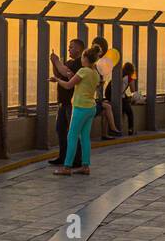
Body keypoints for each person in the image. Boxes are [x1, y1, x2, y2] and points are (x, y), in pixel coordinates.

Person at [53, 46, 102, 177]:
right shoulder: (95, 73)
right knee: (85, 137)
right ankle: (85, 166)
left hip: (81, 107)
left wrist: (57, 80)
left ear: (85, 58)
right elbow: (83, 83)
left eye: (82, 57)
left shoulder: (83, 70)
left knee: (72, 136)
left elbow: (69, 85)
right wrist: (71, 76)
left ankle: (67, 167)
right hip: (91, 107)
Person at [48, 38, 85, 167]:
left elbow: (67, 73)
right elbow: (59, 72)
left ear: (79, 49)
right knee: (61, 130)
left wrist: (57, 60)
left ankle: (77, 159)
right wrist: (54, 63)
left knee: (73, 132)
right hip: (63, 103)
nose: (69, 49)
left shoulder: (80, 63)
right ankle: (63, 156)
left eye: (71, 47)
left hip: (72, 103)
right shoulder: (70, 62)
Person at [91, 36, 123, 139]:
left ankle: (106, 133)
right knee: (107, 107)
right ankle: (113, 129)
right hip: (89, 101)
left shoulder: (95, 63)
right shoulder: (92, 63)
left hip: (94, 99)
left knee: (105, 110)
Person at [107, 61, 137, 136]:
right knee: (130, 113)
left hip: (109, 95)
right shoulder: (129, 78)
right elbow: (133, 90)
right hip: (119, 98)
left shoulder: (118, 74)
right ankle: (130, 129)